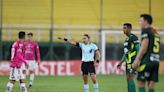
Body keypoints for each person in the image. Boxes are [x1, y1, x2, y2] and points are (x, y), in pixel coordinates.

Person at [132, 14, 160, 92]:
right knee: (151, 85)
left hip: (147, 61)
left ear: (146, 21)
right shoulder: (155, 32)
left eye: (141, 20)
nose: (139, 22)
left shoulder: (145, 31)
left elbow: (144, 47)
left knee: (140, 82)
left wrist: (137, 59)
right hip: (156, 61)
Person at [117, 23, 140, 92]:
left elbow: (139, 49)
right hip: (128, 62)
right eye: (123, 28)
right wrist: (121, 62)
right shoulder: (126, 39)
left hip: (133, 61)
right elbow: (126, 53)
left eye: (125, 28)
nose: (123, 30)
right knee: (128, 78)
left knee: (131, 77)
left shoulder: (133, 37)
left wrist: (137, 60)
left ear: (130, 29)